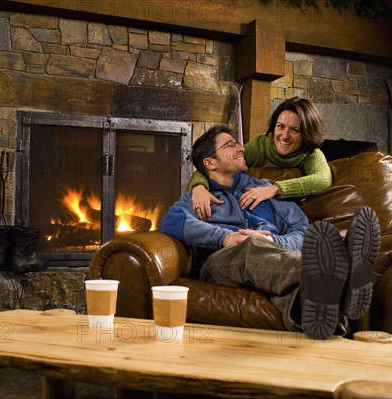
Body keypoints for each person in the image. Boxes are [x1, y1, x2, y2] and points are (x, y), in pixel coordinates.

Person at [160, 124, 380, 340]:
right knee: (250, 246)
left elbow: (302, 230)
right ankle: (342, 273)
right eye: (230, 145)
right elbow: (171, 221)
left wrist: (275, 240)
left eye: (238, 143)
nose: (241, 148)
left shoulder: (262, 191)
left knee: (297, 292)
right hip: (221, 264)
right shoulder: (197, 198)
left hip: (274, 264)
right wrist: (225, 237)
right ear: (210, 163)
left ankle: (315, 314)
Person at [190, 96, 332, 220]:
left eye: (295, 130)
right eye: (280, 126)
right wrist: (198, 188)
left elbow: (323, 179)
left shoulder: (311, 153)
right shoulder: (260, 146)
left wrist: (274, 189)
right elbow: (214, 165)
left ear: (307, 134)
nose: (285, 135)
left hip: (289, 212)